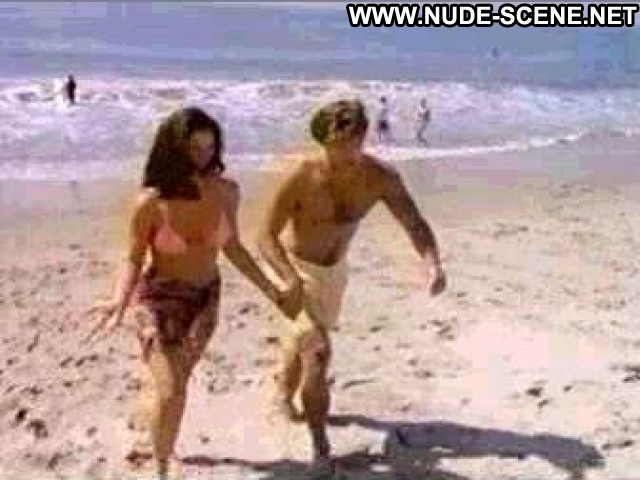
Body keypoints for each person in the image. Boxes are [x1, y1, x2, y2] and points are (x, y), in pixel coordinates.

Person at [89, 107, 296, 479]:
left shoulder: (226, 192)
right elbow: (133, 258)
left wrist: (272, 290)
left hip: (205, 302)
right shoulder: (150, 203)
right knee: (172, 390)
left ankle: (159, 432)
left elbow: (233, 249)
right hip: (159, 302)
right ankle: (161, 468)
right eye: (194, 148)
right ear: (173, 149)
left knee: (176, 384)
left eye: (209, 148)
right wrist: (120, 299)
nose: (203, 157)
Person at [258, 99, 446, 474]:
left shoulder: (380, 177)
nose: (346, 155)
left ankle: (283, 391)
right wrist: (290, 279)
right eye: (338, 146)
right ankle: (321, 450)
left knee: (304, 347)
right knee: (318, 351)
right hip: (294, 269)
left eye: (355, 144)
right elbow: (265, 236)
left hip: (334, 274)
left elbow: (413, 221)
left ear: (364, 137)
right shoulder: (300, 175)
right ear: (324, 141)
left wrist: (432, 262)